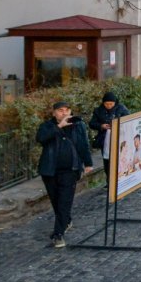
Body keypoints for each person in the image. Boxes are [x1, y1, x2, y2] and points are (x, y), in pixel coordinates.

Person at [36, 101, 93, 248]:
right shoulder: (47, 126)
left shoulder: (78, 125)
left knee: (64, 201)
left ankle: (58, 234)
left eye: (67, 110)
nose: (64, 113)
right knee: (56, 201)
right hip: (50, 170)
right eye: (60, 111)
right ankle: (66, 220)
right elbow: (41, 139)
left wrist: (88, 163)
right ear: (54, 113)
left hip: (70, 170)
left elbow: (83, 144)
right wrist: (59, 127)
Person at [89, 91, 128, 177]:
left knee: (120, 159)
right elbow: (92, 123)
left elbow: (128, 121)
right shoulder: (98, 110)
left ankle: (120, 179)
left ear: (115, 102)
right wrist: (101, 126)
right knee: (107, 161)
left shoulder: (121, 109)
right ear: (103, 103)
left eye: (111, 104)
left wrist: (118, 125)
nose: (109, 106)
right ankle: (109, 181)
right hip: (105, 139)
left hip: (120, 138)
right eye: (107, 104)